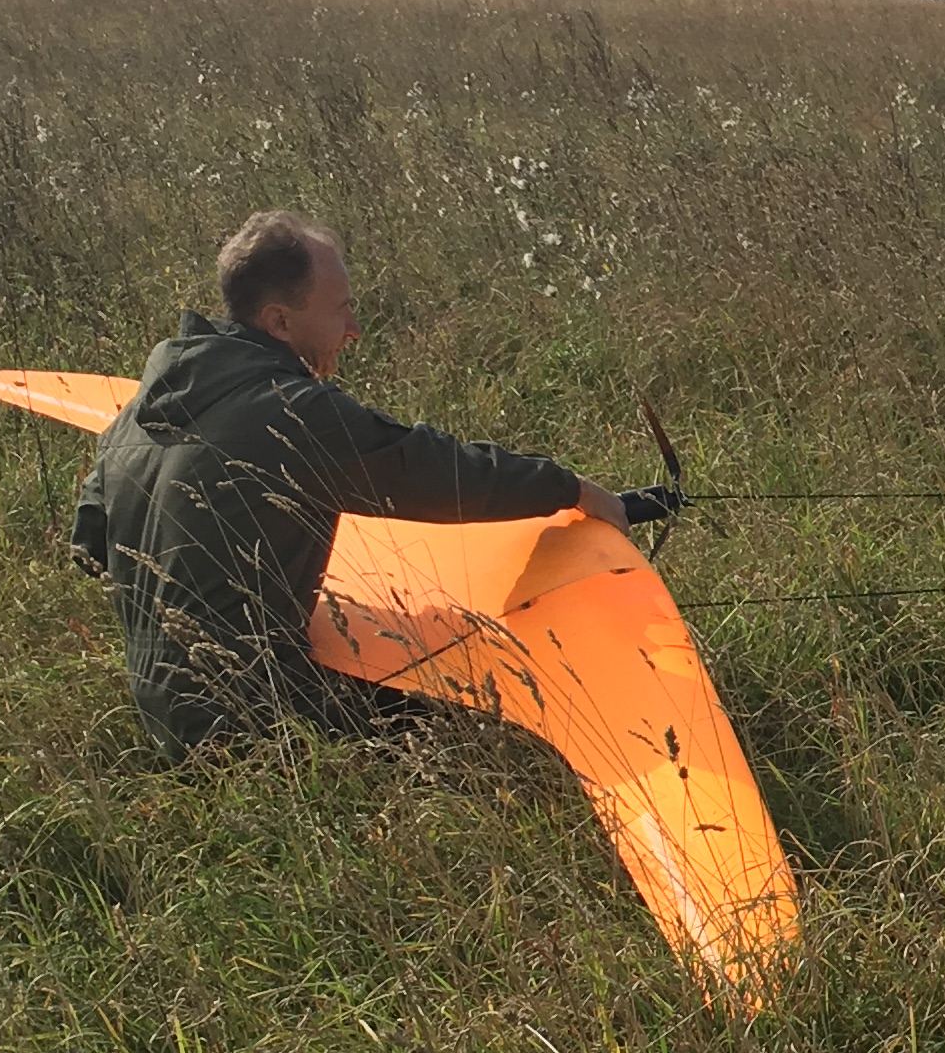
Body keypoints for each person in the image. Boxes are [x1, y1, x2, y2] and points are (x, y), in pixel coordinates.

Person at [72, 209, 670, 758]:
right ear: (279, 320)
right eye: (340, 309)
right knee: (477, 740)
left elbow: (91, 544)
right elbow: (435, 471)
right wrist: (574, 489)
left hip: (157, 708)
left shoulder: (144, 407)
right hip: (248, 723)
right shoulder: (289, 410)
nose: (354, 329)